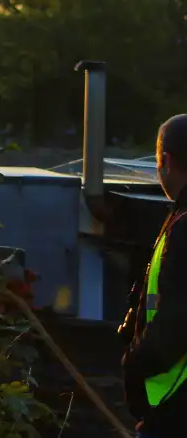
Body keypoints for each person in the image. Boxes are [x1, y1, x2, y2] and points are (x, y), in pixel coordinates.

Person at [122, 113, 187, 436]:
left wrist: (133, 363)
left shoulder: (184, 227)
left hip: (174, 407)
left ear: (167, 161)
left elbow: (174, 322)